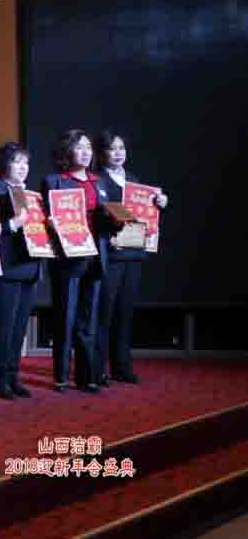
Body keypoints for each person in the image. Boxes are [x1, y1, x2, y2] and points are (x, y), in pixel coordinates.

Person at [94, 130, 168, 386]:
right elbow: (99, 214)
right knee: (105, 312)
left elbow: (144, 214)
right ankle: (97, 369)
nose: (118, 153)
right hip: (112, 253)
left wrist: (159, 203)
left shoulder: (134, 180)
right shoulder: (98, 179)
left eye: (121, 148)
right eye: (112, 149)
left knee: (125, 312)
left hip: (134, 252)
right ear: (102, 153)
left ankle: (122, 366)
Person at [42, 129, 107, 393]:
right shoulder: (55, 181)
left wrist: (117, 221)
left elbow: (105, 218)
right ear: (67, 151)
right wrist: (49, 222)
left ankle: (86, 376)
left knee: (87, 319)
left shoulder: (98, 181)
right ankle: (61, 376)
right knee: (65, 316)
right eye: (80, 147)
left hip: (96, 255)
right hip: (68, 257)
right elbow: (44, 215)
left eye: (88, 147)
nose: (86, 152)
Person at [0, 142, 40, 400]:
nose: (23, 167)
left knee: (19, 327)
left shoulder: (30, 194)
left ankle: (13, 375)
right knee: (3, 325)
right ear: (3, 165)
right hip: (4, 267)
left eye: (26, 162)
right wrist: (11, 225)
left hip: (29, 264)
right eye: (17, 162)